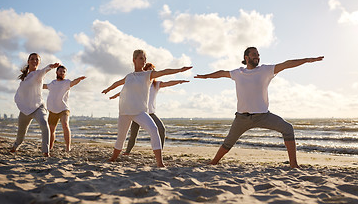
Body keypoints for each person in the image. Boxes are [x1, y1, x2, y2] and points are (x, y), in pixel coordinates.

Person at [195, 47, 324, 168]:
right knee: (228, 142)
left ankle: (293, 164)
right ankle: (214, 162)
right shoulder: (238, 72)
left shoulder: (265, 70)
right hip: (242, 118)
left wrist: (307, 60)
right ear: (246, 57)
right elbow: (221, 73)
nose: (257, 57)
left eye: (258, 55)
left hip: (263, 116)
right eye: (254, 54)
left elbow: (286, 64)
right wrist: (205, 76)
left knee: (287, 128)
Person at [102, 49, 192, 167]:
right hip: (125, 110)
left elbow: (164, 72)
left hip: (139, 111)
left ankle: (160, 163)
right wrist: (108, 89)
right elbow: (118, 83)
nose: (144, 61)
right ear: (134, 60)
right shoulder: (129, 76)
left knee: (154, 129)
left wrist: (179, 70)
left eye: (145, 58)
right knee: (121, 137)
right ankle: (113, 158)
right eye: (141, 58)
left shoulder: (147, 75)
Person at [109, 62, 189, 155]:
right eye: (151, 70)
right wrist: (115, 95)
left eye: (153, 70)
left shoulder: (156, 84)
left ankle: (159, 151)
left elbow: (168, 83)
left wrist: (179, 81)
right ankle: (127, 152)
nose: (153, 72)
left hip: (150, 113)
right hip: (138, 111)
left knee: (161, 129)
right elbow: (127, 91)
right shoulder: (140, 82)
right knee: (133, 135)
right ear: (146, 71)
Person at [11, 53, 60, 157]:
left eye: (37, 59)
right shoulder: (25, 77)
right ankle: (15, 147)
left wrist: (51, 66)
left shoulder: (38, 73)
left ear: (39, 62)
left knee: (44, 124)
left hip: (38, 107)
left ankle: (46, 152)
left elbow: (44, 70)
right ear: (28, 61)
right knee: (21, 133)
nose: (34, 61)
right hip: (25, 109)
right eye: (32, 59)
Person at [43, 66, 86, 152]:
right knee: (51, 130)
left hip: (64, 109)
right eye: (60, 71)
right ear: (56, 72)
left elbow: (74, 82)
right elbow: (43, 86)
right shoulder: (52, 83)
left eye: (63, 72)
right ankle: (50, 147)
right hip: (52, 110)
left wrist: (79, 79)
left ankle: (67, 147)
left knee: (65, 125)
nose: (62, 73)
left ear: (65, 74)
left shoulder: (67, 82)